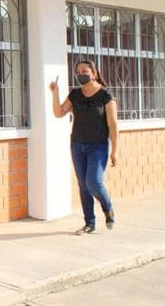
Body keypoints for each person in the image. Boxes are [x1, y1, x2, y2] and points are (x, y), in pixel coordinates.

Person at [50, 60, 118, 234]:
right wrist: (55, 93)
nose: (81, 73)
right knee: (83, 185)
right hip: (78, 145)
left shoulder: (105, 95)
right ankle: (90, 223)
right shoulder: (75, 95)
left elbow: (113, 124)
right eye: (78, 71)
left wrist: (115, 150)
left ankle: (107, 208)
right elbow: (59, 113)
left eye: (85, 70)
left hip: (99, 146)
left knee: (93, 182)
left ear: (94, 73)